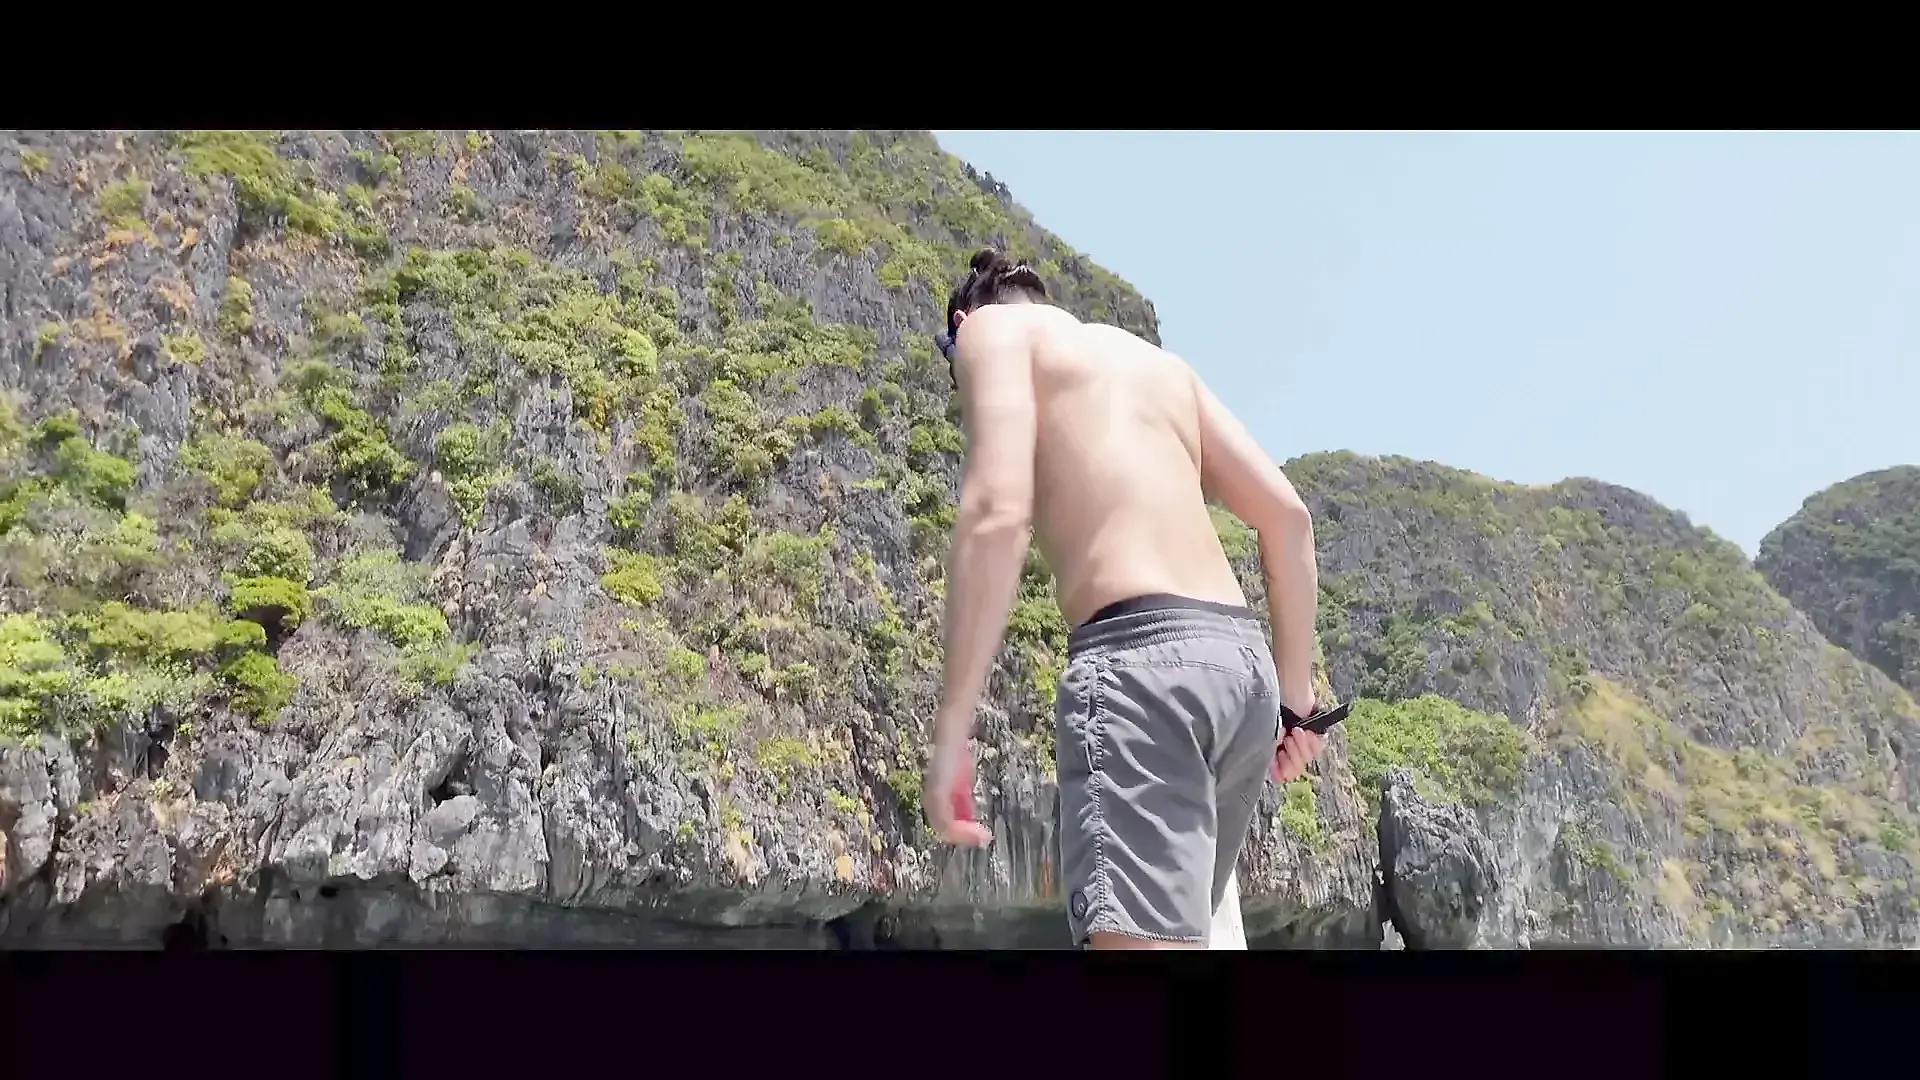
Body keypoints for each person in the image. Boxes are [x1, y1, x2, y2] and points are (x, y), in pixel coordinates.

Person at [925, 248, 1328, 950]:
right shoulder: (1160, 369)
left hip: (1141, 669)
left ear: (961, 323)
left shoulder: (990, 333)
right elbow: (1289, 521)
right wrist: (1297, 706)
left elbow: (996, 514)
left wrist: (953, 732)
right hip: (1241, 673)